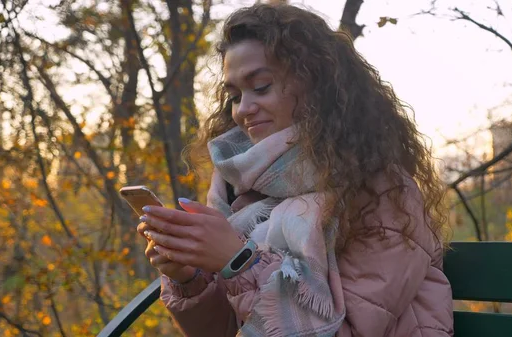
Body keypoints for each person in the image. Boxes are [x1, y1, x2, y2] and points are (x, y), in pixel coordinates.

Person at [137, 3, 453, 337]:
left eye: (260, 87)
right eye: (234, 95)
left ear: (317, 85)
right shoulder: (237, 188)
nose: (242, 110)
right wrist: (190, 278)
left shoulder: (382, 192)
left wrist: (240, 261)